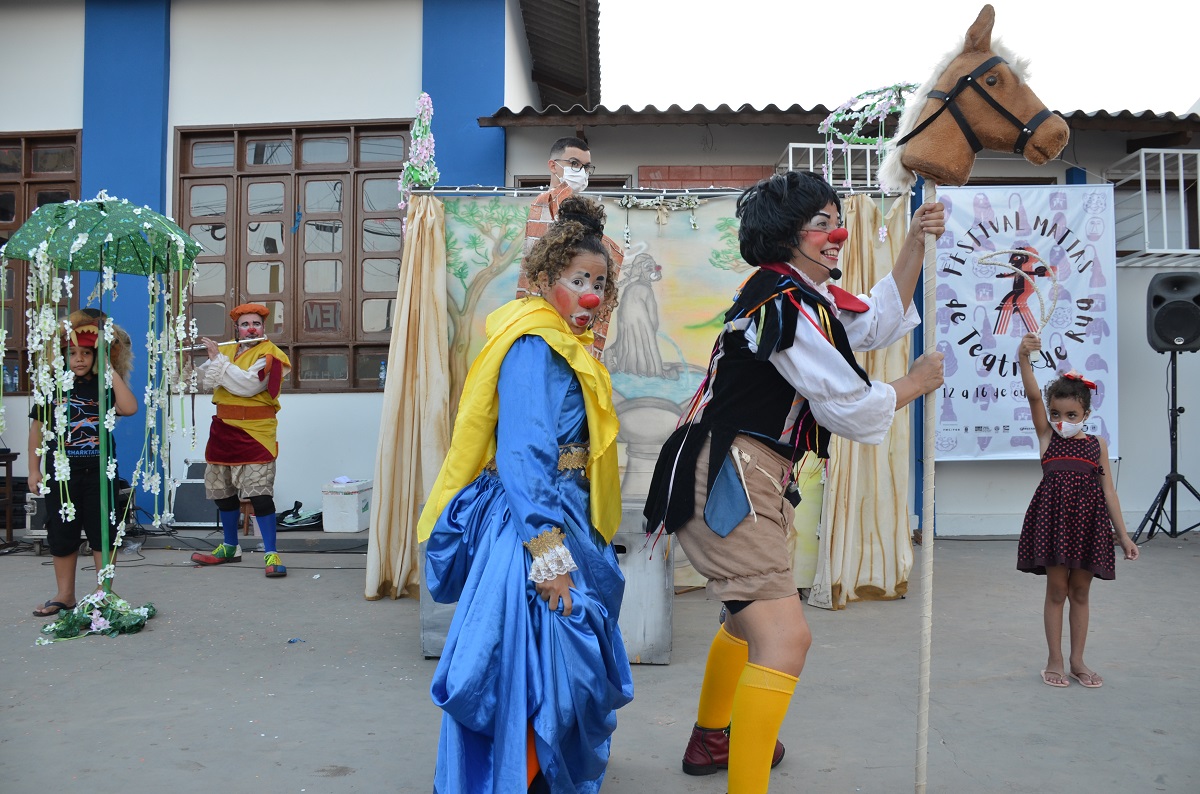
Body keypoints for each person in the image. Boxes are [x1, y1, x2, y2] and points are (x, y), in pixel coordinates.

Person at [642, 170, 945, 792]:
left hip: (747, 473)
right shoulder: (783, 303)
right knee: (785, 640)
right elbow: (847, 404)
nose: (836, 234)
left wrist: (915, 239)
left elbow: (876, 323)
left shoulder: (802, 298)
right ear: (787, 236)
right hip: (731, 475)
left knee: (743, 618)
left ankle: (711, 739)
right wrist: (914, 383)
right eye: (820, 224)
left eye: (837, 220)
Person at [417, 196, 634, 793]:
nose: (590, 293)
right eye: (577, 279)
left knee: (554, 657)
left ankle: (535, 769)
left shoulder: (561, 343)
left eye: (598, 281)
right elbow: (522, 458)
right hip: (531, 527)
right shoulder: (533, 346)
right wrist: (550, 560)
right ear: (545, 280)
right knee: (536, 657)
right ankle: (520, 775)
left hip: (563, 511)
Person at [1015, 333, 1138, 688]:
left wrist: (1125, 536)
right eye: (1056, 413)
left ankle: (1077, 661)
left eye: (1071, 414)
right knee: (1057, 590)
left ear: (1086, 414)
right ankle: (1054, 660)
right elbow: (1033, 395)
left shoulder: (1097, 445)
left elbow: (1109, 492)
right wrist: (1023, 356)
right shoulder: (1046, 437)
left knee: (1081, 592)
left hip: (1089, 526)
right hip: (1053, 524)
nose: (1061, 420)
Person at [30, 309, 138, 617]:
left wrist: (110, 368)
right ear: (63, 356)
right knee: (61, 533)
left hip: (98, 472)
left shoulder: (104, 385)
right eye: (73, 353)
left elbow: (129, 407)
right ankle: (65, 595)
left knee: (101, 531)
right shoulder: (53, 386)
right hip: (61, 474)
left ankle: (105, 593)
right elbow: (37, 430)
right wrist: (35, 468)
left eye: (87, 353)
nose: (79, 359)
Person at [190, 303, 292, 578]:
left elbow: (248, 385)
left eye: (256, 324)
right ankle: (230, 546)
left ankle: (271, 551)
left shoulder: (271, 354)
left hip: (256, 431)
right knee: (222, 491)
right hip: (223, 428)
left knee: (259, 493)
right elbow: (205, 383)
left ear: (263, 327)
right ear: (237, 328)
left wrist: (219, 364)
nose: (250, 329)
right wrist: (211, 361)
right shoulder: (224, 352)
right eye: (245, 324)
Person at [518, 136, 624, 357]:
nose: (581, 172)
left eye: (586, 167)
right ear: (553, 165)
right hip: (549, 325)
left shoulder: (579, 212)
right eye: (574, 164)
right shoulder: (543, 206)